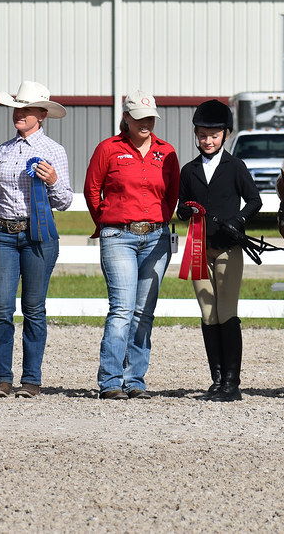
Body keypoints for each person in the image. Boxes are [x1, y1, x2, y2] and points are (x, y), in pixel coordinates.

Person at [0, 81, 72, 399]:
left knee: (34, 308)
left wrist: (51, 181)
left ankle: (32, 380)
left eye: (25, 109)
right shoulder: (3, 151)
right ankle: (2, 379)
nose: (18, 114)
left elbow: (64, 201)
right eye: (17, 108)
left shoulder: (54, 152)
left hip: (38, 236)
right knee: (1, 308)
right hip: (3, 235)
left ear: (42, 114)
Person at [84, 90, 180, 400]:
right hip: (119, 237)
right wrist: (108, 221)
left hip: (156, 237)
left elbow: (172, 194)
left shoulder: (167, 153)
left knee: (144, 312)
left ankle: (135, 379)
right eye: (139, 117)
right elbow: (92, 190)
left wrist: (158, 221)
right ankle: (111, 380)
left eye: (150, 117)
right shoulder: (108, 149)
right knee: (122, 309)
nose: (146, 123)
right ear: (126, 117)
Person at [177, 100, 262, 402]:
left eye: (213, 136)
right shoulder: (188, 171)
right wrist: (186, 212)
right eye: (202, 135)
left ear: (225, 135)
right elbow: (181, 206)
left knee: (226, 311)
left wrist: (237, 220)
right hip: (199, 246)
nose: (207, 141)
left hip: (228, 248)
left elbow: (254, 201)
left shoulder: (235, 167)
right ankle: (215, 380)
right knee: (207, 312)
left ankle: (232, 382)